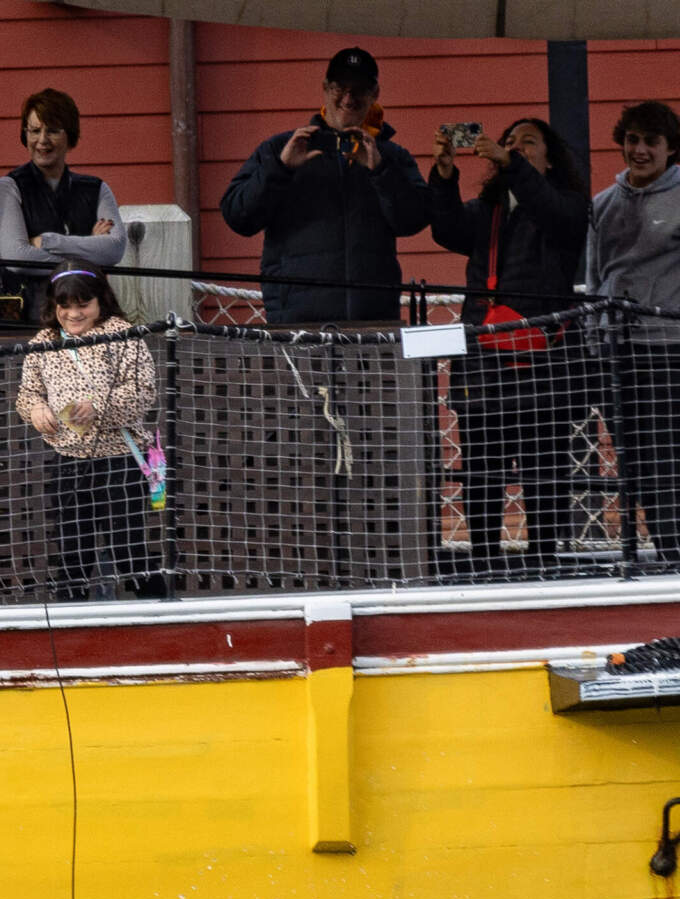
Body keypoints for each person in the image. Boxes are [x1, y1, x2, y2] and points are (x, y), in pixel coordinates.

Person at [429, 117, 590, 573]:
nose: (513, 147)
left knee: (544, 470)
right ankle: (483, 562)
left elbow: (554, 213)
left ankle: (544, 559)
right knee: (483, 466)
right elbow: (445, 229)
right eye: (508, 142)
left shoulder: (569, 205)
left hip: (544, 361)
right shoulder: (487, 210)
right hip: (484, 358)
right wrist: (444, 174)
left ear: (549, 157)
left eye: (527, 143)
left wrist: (512, 165)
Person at [219, 47, 428, 324]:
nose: (349, 98)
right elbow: (238, 216)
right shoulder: (282, 148)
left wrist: (380, 171)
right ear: (325, 89)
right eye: (340, 88)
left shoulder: (391, 156)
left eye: (360, 90)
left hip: (373, 323)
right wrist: (281, 168)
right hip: (296, 324)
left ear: (375, 94)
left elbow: (413, 221)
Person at [14, 264, 161, 601]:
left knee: (129, 548)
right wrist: (36, 410)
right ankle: (69, 620)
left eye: (83, 304)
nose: (74, 313)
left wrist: (98, 408)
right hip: (67, 460)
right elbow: (28, 393)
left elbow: (142, 392)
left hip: (120, 460)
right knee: (72, 551)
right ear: (54, 306)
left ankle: (156, 610)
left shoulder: (123, 334)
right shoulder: (42, 342)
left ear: (100, 301)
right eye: (65, 306)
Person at [585, 99, 680, 562]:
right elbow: (595, 274)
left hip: (668, 348)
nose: (639, 150)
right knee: (634, 460)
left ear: (670, 149)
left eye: (650, 142)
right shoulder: (602, 203)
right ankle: (666, 551)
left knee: (666, 457)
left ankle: (674, 553)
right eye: (631, 140)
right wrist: (592, 337)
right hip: (615, 350)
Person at [0, 88, 126, 321]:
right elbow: (16, 257)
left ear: (70, 136)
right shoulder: (8, 187)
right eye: (34, 130)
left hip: (83, 317)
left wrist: (48, 242)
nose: (42, 140)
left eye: (52, 131)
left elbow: (114, 249)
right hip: (25, 317)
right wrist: (89, 253)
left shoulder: (96, 188)